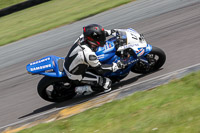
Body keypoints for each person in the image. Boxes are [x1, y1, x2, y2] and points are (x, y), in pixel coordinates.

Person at [63, 24, 124, 95]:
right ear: (93, 40)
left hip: (74, 62)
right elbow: (100, 69)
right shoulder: (88, 54)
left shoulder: (84, 36)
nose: (102, 39)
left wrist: (113, 32)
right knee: (107, 83)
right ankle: (81, 90)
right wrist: (115, 66)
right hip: (76, 74)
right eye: (100, 38)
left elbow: (100, 34)